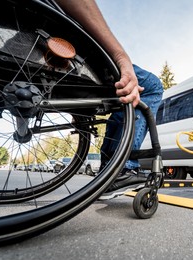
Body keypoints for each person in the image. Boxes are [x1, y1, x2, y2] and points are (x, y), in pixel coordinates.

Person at [53, 0, 163, 195]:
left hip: (44, 56)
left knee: (122, 100)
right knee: (152, 86)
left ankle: (109, 169)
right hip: (72, 54)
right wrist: (122, 58)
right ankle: (122, 168)